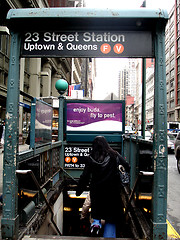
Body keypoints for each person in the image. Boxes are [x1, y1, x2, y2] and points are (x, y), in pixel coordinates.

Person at [76, 136, 130, 238]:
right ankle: (109, 236)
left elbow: (85, 177)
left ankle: (95, 226)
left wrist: (78, 191)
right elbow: (127, 166)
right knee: (111, 219)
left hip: (97, 193)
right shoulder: (114, 155)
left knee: (96, 214)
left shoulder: (90, 158)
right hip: (112, 193)